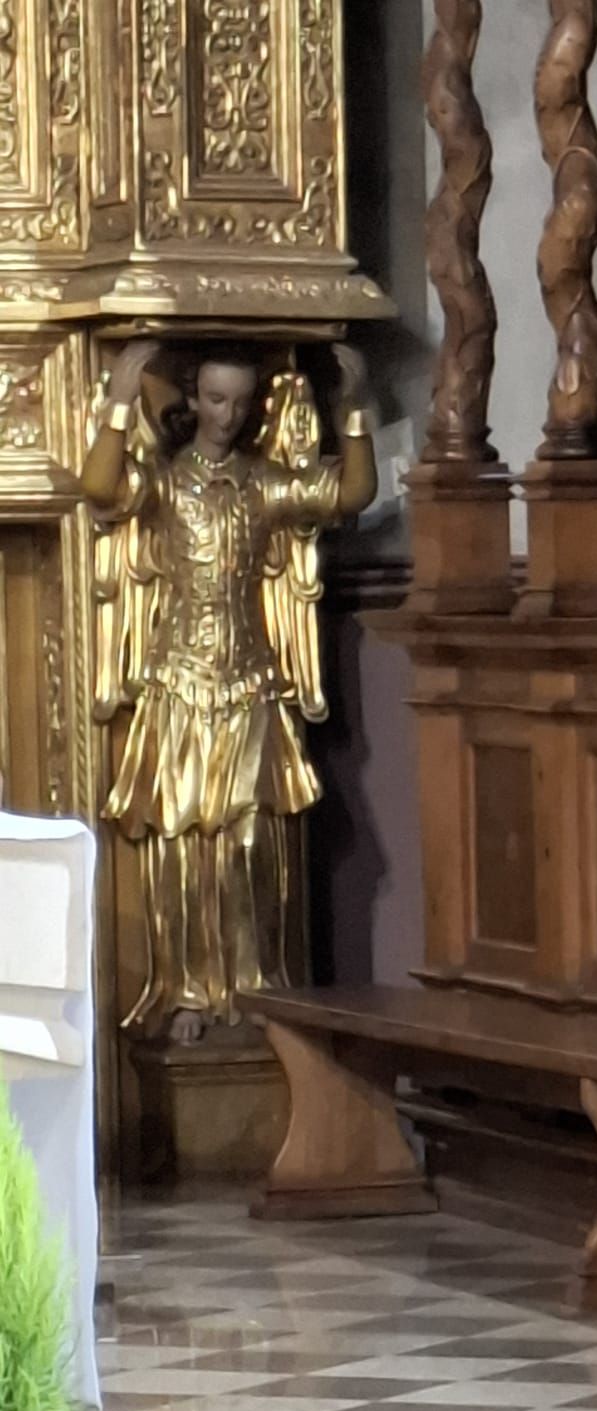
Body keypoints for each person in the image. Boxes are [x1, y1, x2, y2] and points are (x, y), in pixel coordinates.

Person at [82, 339, 377, 1043]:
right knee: (184, 847)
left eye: (241, 403)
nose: (227, 414)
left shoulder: (263, 484)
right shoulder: (164, 482)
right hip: (179, 686)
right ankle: (188, 991)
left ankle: (251, 986)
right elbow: (99, 488)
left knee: (249, 845)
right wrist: (119, 404)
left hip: (248, 687)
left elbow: (350, 493)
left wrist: (353, 408)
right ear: (193, 398)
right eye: (215, 399)